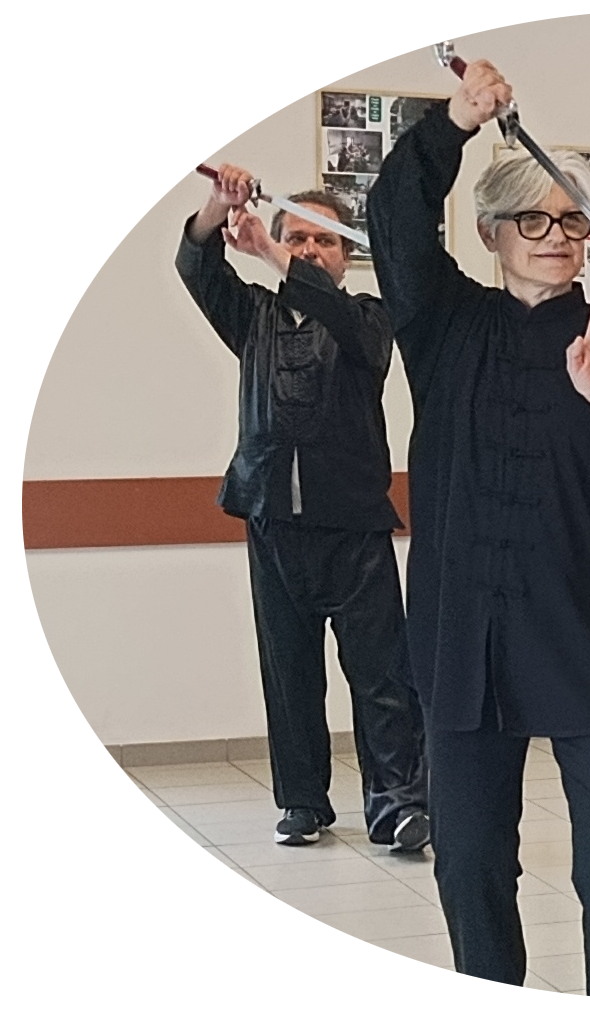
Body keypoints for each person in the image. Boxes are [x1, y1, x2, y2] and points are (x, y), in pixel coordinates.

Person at [367, 60, 590, 999]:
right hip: (465, 642)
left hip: (589, 639)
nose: (557, 239)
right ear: (490, 232)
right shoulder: (443, 324)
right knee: (469, 866)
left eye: (573, 222)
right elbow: (393, 218)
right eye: (533, 221)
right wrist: (453, 122)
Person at [175, 166, 430, 852]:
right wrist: (218, 205)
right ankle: (302, 802)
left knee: (382, 676)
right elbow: (196, 264)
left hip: (354, 525)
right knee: (289, 674)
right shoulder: (253, 317)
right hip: (271, 521)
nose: (311, 250)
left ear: (346, 257)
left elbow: (350, 328)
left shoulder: (367, 318)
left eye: (325, 241)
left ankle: (399, 804)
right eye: (297, 238)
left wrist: (269, 251)